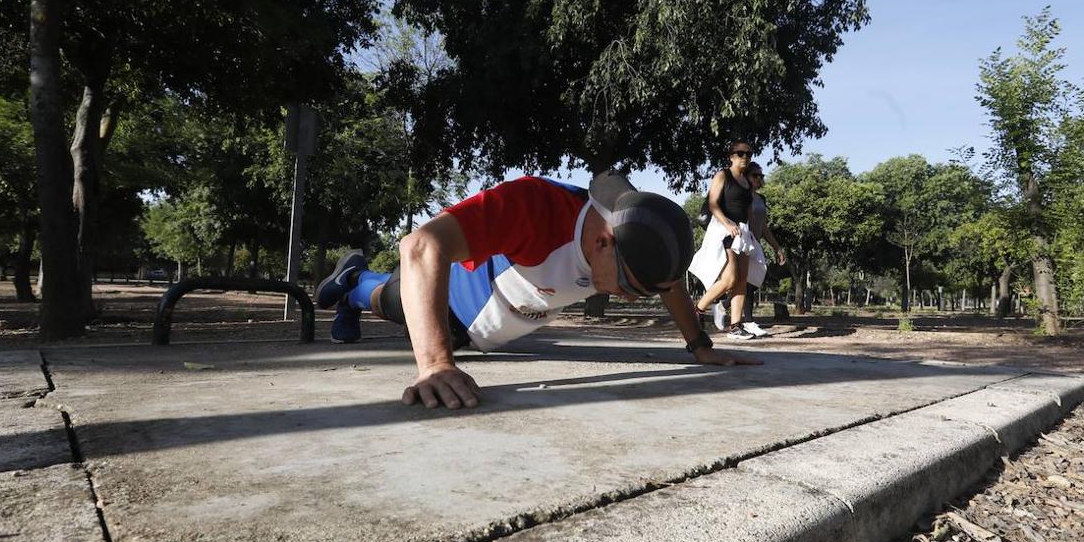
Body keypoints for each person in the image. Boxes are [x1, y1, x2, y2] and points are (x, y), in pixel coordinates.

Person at [315, 171, 759, 408]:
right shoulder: (533, 206)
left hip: (500, 327)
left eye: (638, 293)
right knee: (386, 299)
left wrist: (700, 347)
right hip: (454, 306)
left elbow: (667, 287)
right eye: (627, 286)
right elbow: (419, 245)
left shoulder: (628, 238)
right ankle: (354, 279)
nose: (628, 297)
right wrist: (434, 364)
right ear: (603, 242)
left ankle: (359, 286)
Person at [688, 141, 764, 340]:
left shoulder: (748, 183)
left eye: (748, 153)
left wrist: (754, 237)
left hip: (743, 233)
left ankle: (735, 326)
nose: (745, 157)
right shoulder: (723, 175)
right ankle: (698, 308)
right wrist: (728, 224)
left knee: (741, 280)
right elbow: (713, 204)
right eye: (740, 153)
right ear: (731, 156)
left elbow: (749, 212)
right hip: (725, 231)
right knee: (730, 278)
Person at [740, 162, 786, 337]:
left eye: (761, 176)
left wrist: (777, 247)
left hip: (756, 244)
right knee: (744, 283)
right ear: (746, 177)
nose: (759, 179)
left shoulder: (761, 199)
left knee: (751, 282)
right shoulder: (741, 197)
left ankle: (722, 307)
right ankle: (748, 322)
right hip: (741, 243)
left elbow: (764, 227)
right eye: (755, 175)